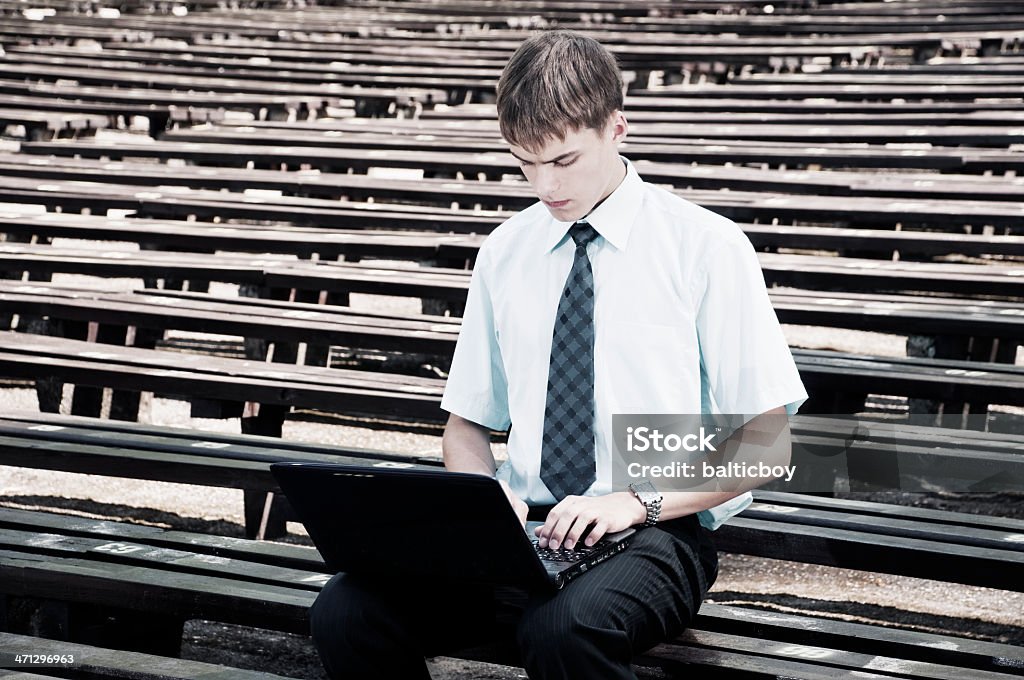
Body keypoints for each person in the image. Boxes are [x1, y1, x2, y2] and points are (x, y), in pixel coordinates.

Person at [310, 30, 807, 680]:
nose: (544, 186)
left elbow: (768, 443)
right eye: (524, 163)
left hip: (657, 530)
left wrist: (637, 500)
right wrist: (481, 507)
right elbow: (466, 425)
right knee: (346, 611)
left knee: (561, 631)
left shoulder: (708, 248)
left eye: (563, 161)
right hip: (520, 534)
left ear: (616, 128)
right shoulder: (505, 252)